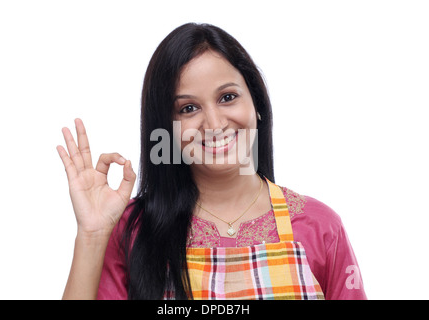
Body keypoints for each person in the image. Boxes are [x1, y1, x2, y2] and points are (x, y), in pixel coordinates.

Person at [57, 23, 367, 300]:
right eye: (189, 108)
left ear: (256, 103)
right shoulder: (133, 229)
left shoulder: (321, 227)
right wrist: (93, 235)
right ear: (167, 129)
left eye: (228, 97)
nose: (214, 123)